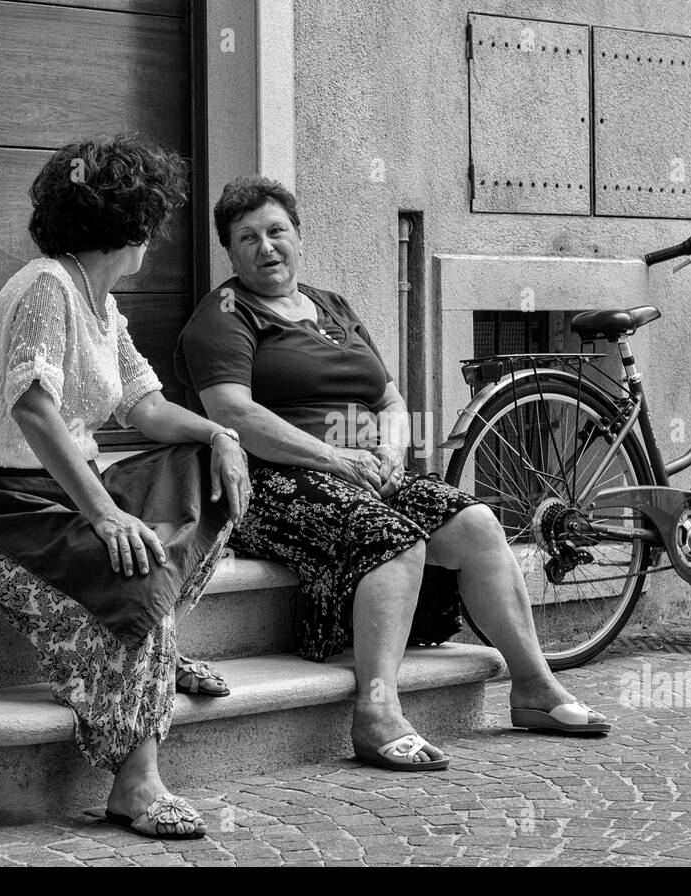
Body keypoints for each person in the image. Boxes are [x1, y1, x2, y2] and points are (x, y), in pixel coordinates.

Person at [174, 176, 612, 772]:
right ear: (229, 250)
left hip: (364, 468)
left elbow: (390, 398)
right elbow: (234, 414)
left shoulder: (332, 306)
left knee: (478, 523)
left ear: (298, 236)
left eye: (277, 231)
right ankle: (376, 711)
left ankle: (534, 687)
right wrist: (338, 457)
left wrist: (393, 455)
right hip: (272, 479)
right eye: (246, 238)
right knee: (394, 538)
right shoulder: (224, 313)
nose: (265, 247)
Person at [0, 135, 252, 838]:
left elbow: (145, 407)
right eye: (155, 220)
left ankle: (157, 646)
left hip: (63, 492)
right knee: (129, 573)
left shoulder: (101, 305)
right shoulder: (47, 285)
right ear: (137, 225)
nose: (157, 235)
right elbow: (32, 407)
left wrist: (218, 436)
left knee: (204, 476)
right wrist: (105, 513)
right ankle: (136, 785)